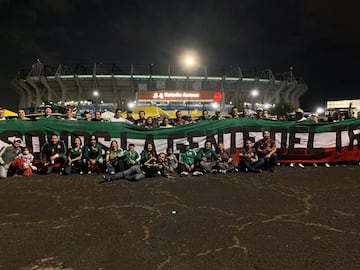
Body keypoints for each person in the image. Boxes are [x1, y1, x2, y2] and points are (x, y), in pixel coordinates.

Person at [102, 152, 173, 182]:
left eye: (162, 157)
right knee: (126, 172)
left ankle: (124, 177)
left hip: (144, 173)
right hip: (139, 167)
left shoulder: (162, 165)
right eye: (160, 156)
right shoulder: (153, 159)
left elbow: (163, 172)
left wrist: (166, 175)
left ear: (164, 158)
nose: (161, 158)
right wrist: (150, 160)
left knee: (135, 178)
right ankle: (109, 178)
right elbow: (144, 163)